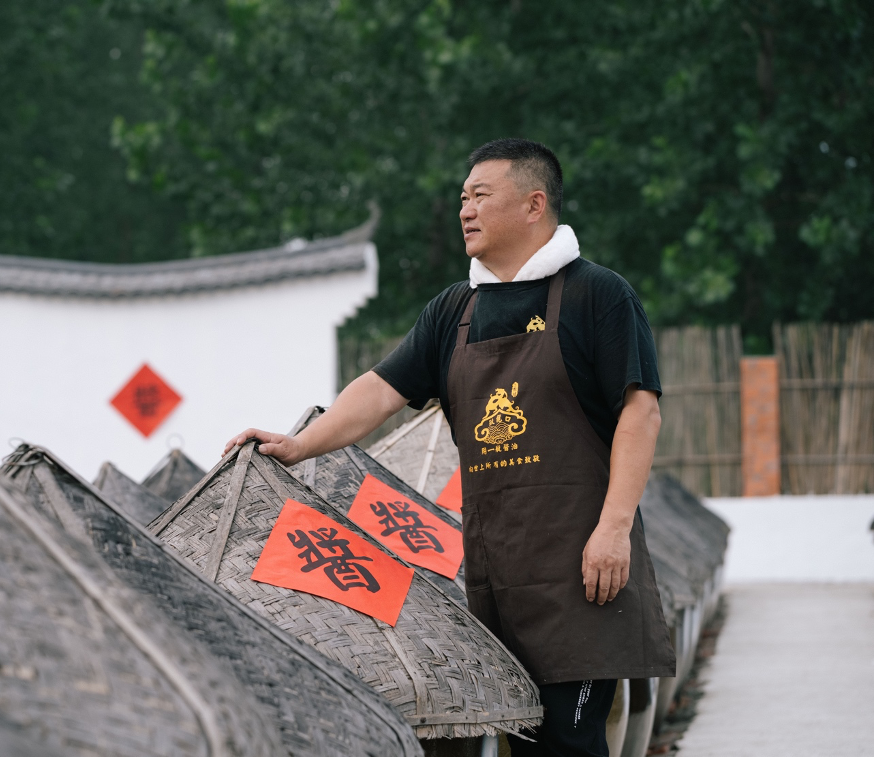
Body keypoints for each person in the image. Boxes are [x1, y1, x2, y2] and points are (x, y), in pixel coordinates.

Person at [225, 137, 675, 757]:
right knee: (516, 739)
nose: (464, 210)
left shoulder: (599, 295)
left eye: (481, 196)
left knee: (570, 742)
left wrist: (614, 528)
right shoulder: (454, 312)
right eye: (462, 198)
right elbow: (379, 392)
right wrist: (298, 445)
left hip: (582, 573)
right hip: (493, 578)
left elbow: (641, 411)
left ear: (533, 204)